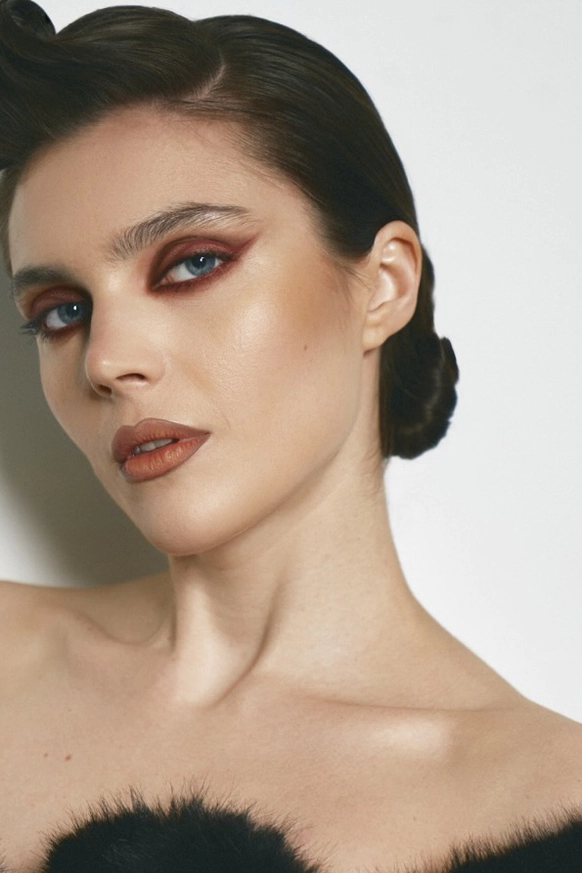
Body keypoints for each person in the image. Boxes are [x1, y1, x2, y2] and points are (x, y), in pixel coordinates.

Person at [0, 1, 581, 871]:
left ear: (383, 286)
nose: (108, 360)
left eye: (193, 263)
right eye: (60, 311)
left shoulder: (544, 807)